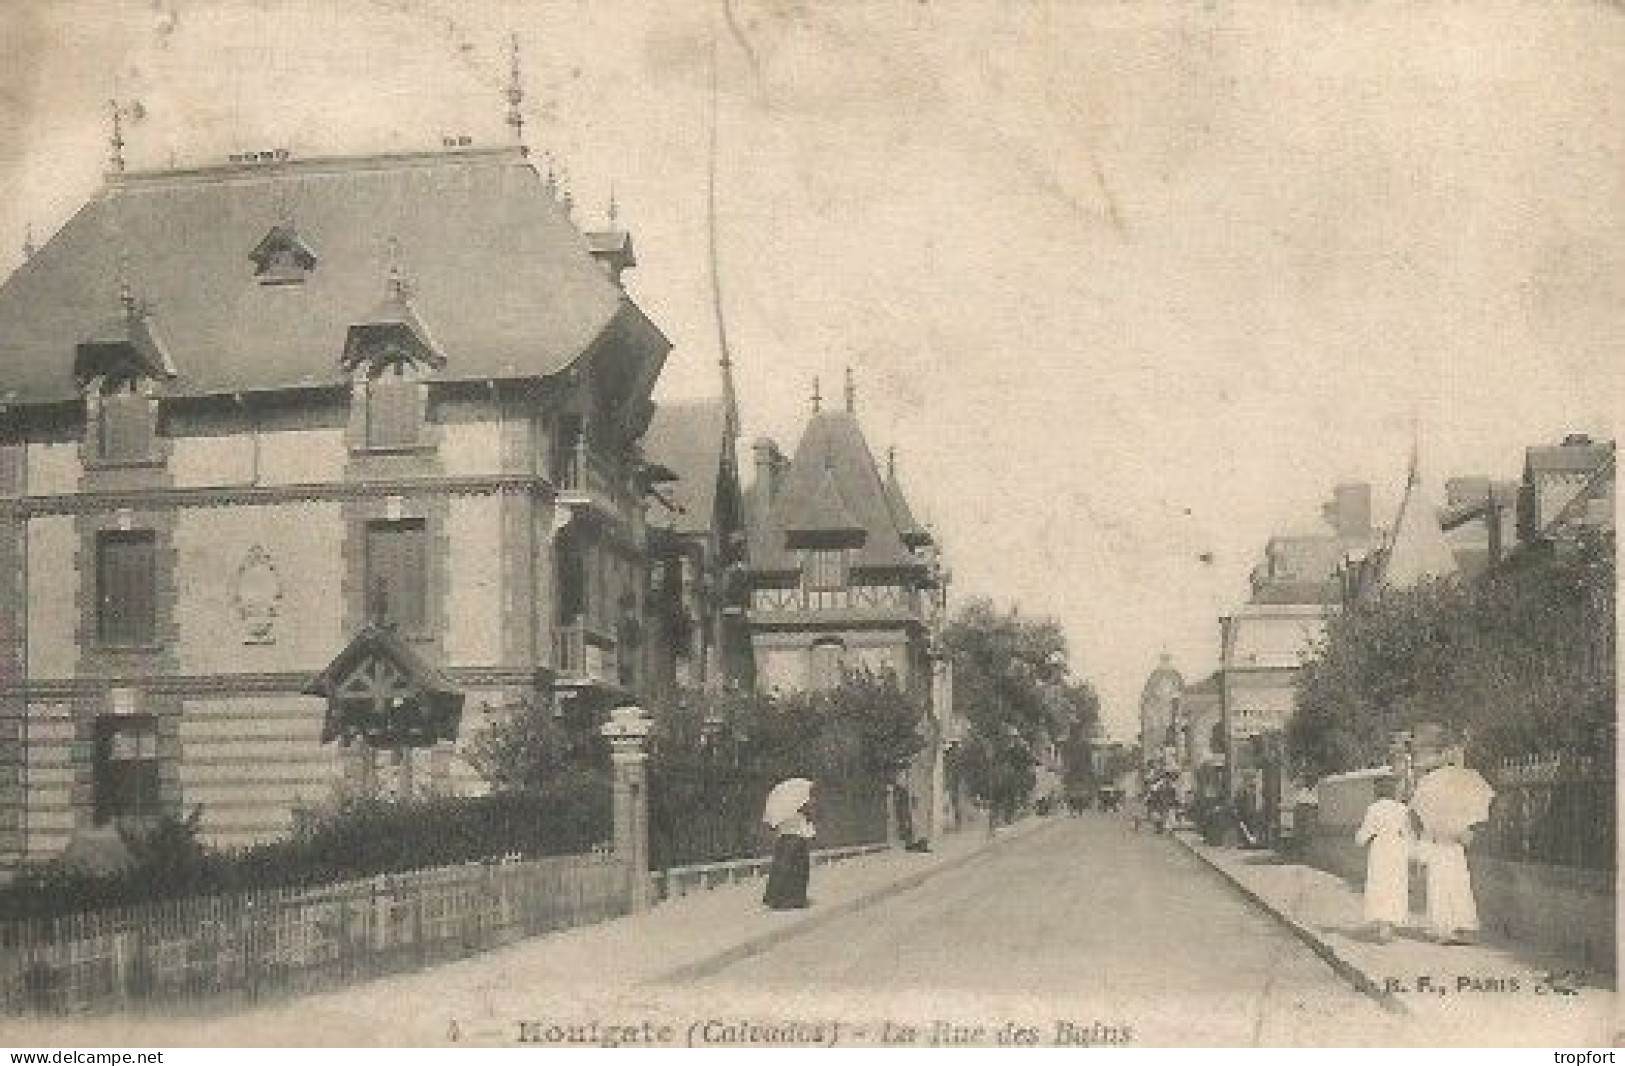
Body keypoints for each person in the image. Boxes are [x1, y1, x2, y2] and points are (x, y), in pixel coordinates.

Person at [1354, 775, 1412, 942]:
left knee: (1380, 884)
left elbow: (1364, 834)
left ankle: (1383, 926)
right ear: (1393, 790)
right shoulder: (1402, 809)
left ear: (1378, 791)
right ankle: (1391, 923)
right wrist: (1411, 851)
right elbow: (1408, 834)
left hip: (1380, 849)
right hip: (1397, 849)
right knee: (1395, 884)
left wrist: (1359, 839)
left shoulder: (1373, 809)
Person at [763, 792, 815, 910]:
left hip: (782, 843)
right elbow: (809, 833)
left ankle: (776, 899)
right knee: (799, 872)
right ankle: (796, 900)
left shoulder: (782, 815)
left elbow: (775, 828)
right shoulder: (802, 816)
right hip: (797, 843)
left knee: (781, 870)